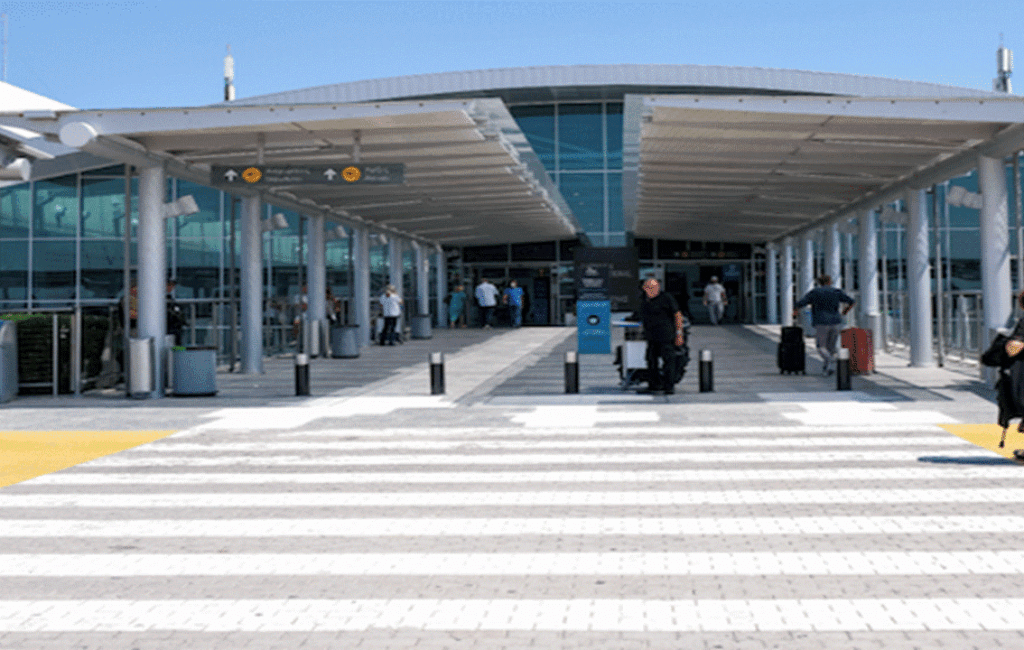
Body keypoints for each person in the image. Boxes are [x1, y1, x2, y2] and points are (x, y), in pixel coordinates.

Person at [793, 274, 855, 375]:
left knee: (821, 347)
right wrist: (845, 311)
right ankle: (828, 368)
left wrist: (795, 311)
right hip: (835, 322)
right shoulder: (836, 292)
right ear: (829, 281)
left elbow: (800, 303)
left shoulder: (815, 292)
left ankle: (831, 360)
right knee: (830, 347)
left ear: (819, 282)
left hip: (821, 322)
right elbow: (852, 301)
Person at [638, 278, 685, 395]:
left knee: (669, 361)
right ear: (644, 288)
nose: (652, 290)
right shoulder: (644, 300)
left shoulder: (666, 298)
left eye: (654, 287)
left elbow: (678, 315)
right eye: (649, 287)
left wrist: (679, 334)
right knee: (650, 360)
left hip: (666, 336)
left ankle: (669, 386)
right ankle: (654, 385)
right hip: (651, 337)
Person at [165, 279, 185, 345]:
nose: (171, 288)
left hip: (173, 324)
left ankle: (178, 351)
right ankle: (176, 352)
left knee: (177, 341)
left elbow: (176, 308)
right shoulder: (158, 297)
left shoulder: (169, 297)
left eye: (173, 286)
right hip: (167, 325)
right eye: (169, 285)